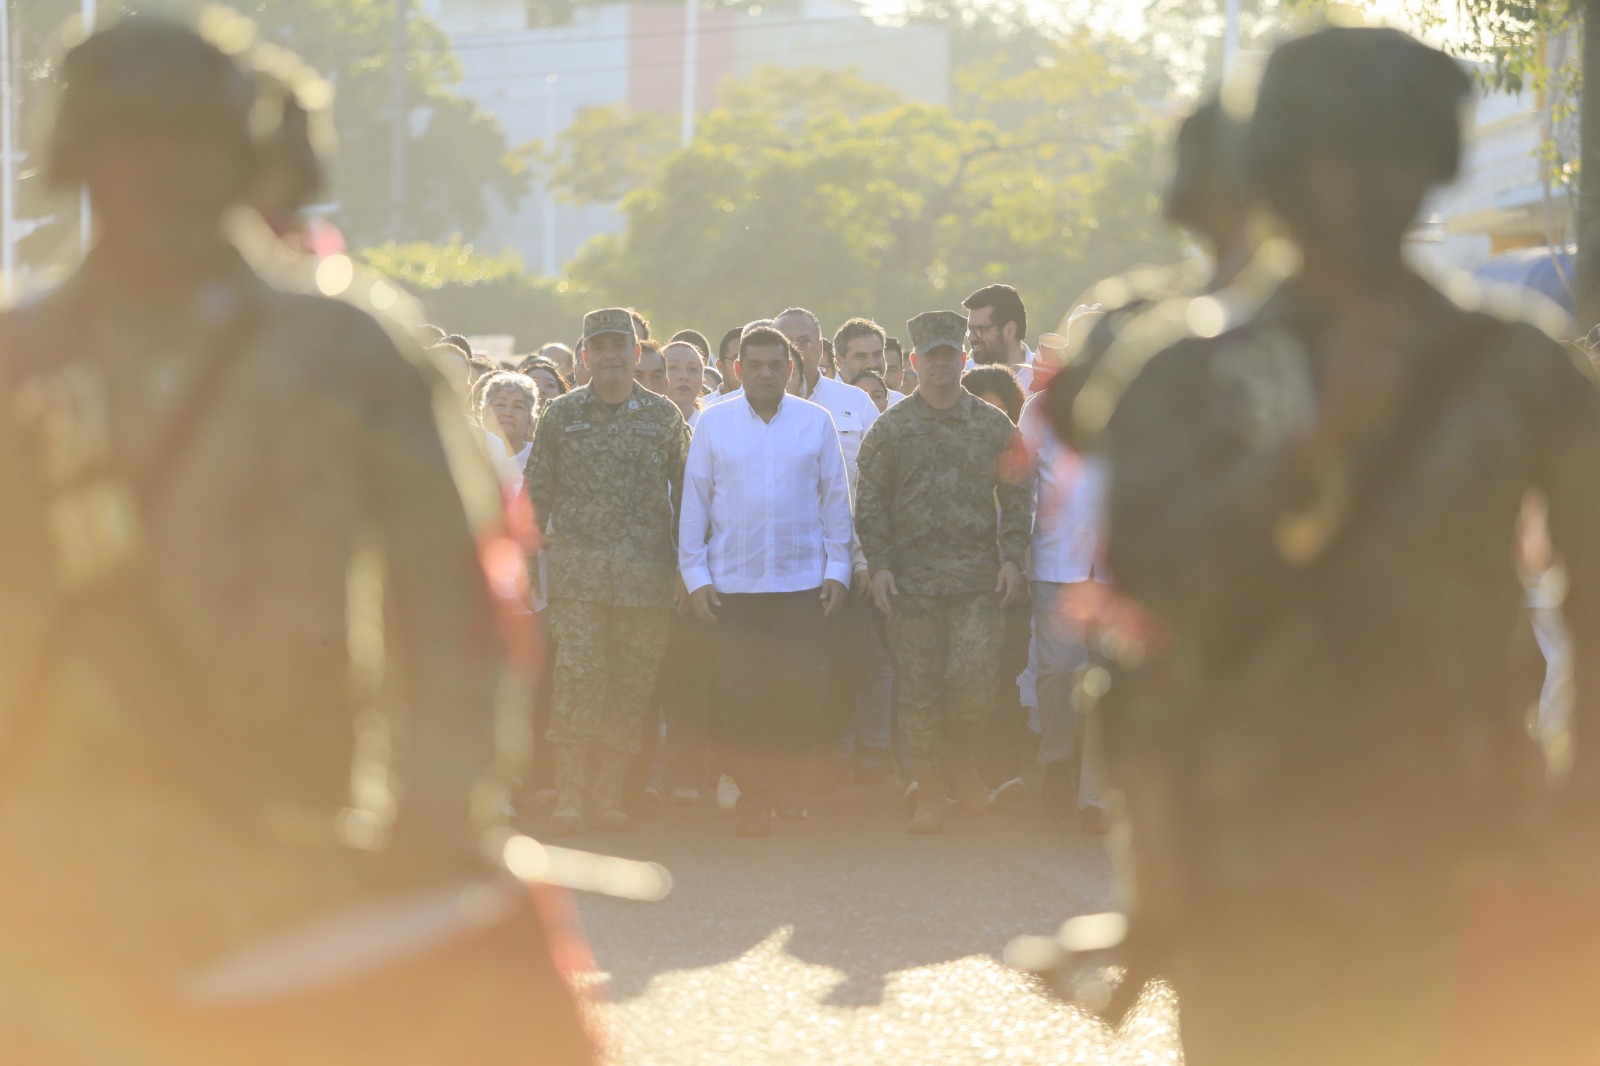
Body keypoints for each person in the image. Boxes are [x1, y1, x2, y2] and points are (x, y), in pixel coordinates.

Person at [0, 14, 593, 1063]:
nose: (161, 170)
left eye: (187, 138)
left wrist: (439, 806)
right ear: (82, 158)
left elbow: (456, 595)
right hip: (56, 884)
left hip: (297, 855)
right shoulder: (22, 360)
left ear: (246, 156)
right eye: (134, 140)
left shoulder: (343, 350)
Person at [1101, 27, 1600, 1064]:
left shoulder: (1515, 366)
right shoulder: (1188, 371)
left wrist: (1577, 809)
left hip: (1462, 849)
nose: (1362, 190)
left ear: (1430, 166)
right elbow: (1154, 576)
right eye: (1335, 160)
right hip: (1248, 863)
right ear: (1280, 171)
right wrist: (1311, 450)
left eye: (1390, 156)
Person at [856, 311, 1033, 833]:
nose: (941, 365)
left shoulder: (992, 425)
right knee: (919, 690)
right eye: (931, 356)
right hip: (911, 585)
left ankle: (960, 761)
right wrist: (879, 564)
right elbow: (870, 501)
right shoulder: (891, 428)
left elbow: (1018, 492)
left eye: (949, 355)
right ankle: (932, 788)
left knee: (975, 682)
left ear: (962, 358)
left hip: (976, 581)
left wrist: (1012, 556)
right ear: (914, 361)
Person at [680, 326, 854, 836]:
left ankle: (788, 780)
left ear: (790, 369)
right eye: (753, 365)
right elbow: (695, 504)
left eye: (775, 365)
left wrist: (838, 568)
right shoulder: (713, 423)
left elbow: (835, 501)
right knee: (740, 696)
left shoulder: (815, 422)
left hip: (802, 582)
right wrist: (695, 574)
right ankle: (754, 797)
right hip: (733, 584)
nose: (764, 374)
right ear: (738, 369)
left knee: (799, 690)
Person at [527, 309, 689, 836]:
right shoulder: (560, 415)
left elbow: (690, 497)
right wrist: (526, 563)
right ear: (585, 355)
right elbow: (535, 495)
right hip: (578, 577)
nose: (611, 354)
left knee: (629, 687)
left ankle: (608, 795)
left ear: (637, 352)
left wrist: (688, 567)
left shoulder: (664, 417)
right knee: (577, 680)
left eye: (620, 344)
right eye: (600, 346)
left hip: (646, 578)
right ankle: (570, 796)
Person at [773, 307, 881, 792]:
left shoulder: (854, 402)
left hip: (843, 557)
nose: (795, 350)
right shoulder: (744, 406)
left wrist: (864, 559)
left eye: (804, 340)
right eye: (785, 342)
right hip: (778, 560)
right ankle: (791, 757)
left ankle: (826, 745)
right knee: (783, 664)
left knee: (846, 664)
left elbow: (874, 486)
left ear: (821, 347)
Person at [959, 366, 1034, 808]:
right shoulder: (949, 449)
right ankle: (957, 776)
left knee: (1005, 678)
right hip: (959, 582)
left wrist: (1015, 562)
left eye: (1002, 409)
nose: (992, 417)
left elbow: (1025, 511)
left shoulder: (1018, 451)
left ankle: (1004, 774)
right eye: (983, 407)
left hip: (1009, 580)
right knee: (959, 680)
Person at [963, 284, 1035, 389]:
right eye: (970, 329)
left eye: (979, 329)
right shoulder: (961, 378)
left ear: (1010, 330)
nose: (970, 337)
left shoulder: (1044, 377)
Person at [479, 371, 538, 486]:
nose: (507, 413)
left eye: (518, 407)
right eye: (500, 405)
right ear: (483, 412)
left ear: (531, 418)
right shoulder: (469, 453)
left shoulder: (539, 458)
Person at [662, 339, 706, 430]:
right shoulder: (643, 423)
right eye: (673, 368)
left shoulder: (712, 426)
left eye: (692, 369)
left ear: (702, 382)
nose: (684, 376)